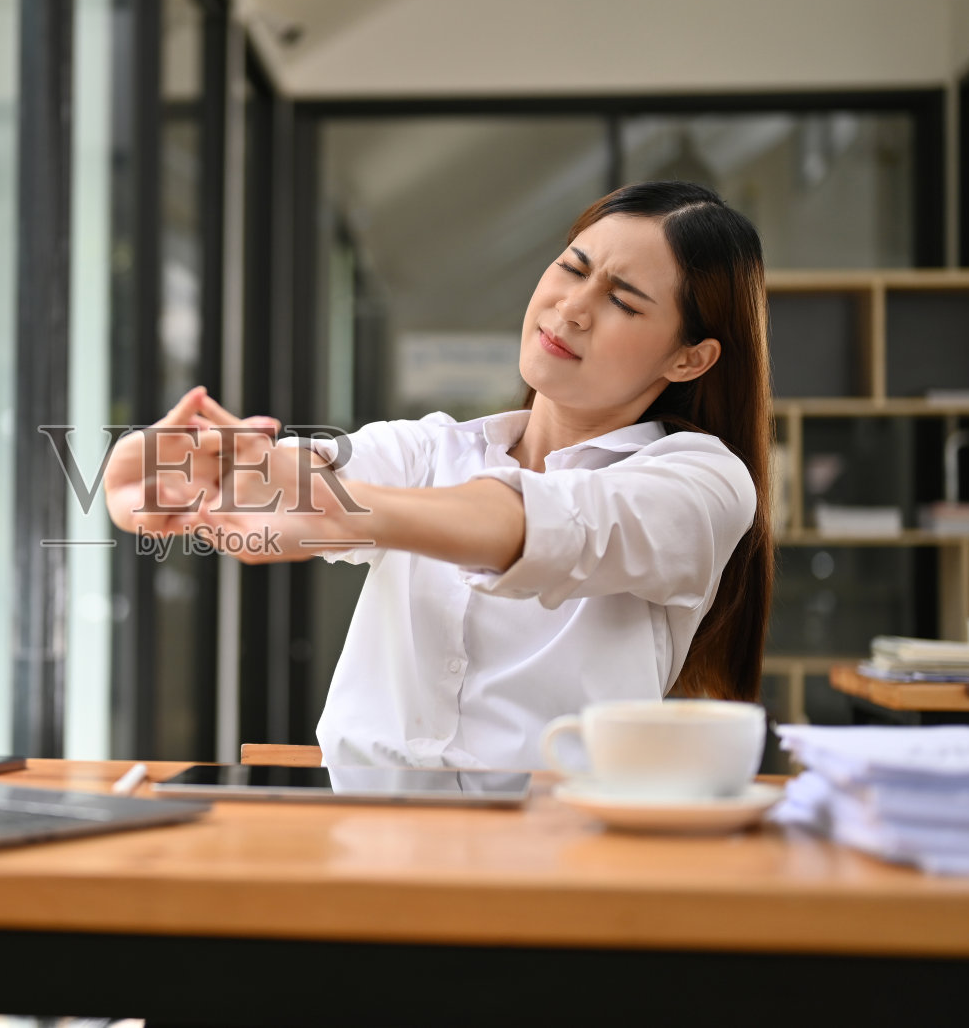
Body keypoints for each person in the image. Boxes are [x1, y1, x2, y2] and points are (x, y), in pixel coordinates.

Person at [102, 181, 771, 770]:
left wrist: (341, 506)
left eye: (623, 300)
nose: (571, 307)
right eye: (572, 267)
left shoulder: (703, 485)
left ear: (689, 359)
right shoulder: (430, 449)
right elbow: (294, 492)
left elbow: (543, 524)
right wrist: (182, 473)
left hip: (559, 854)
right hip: (364, 835)